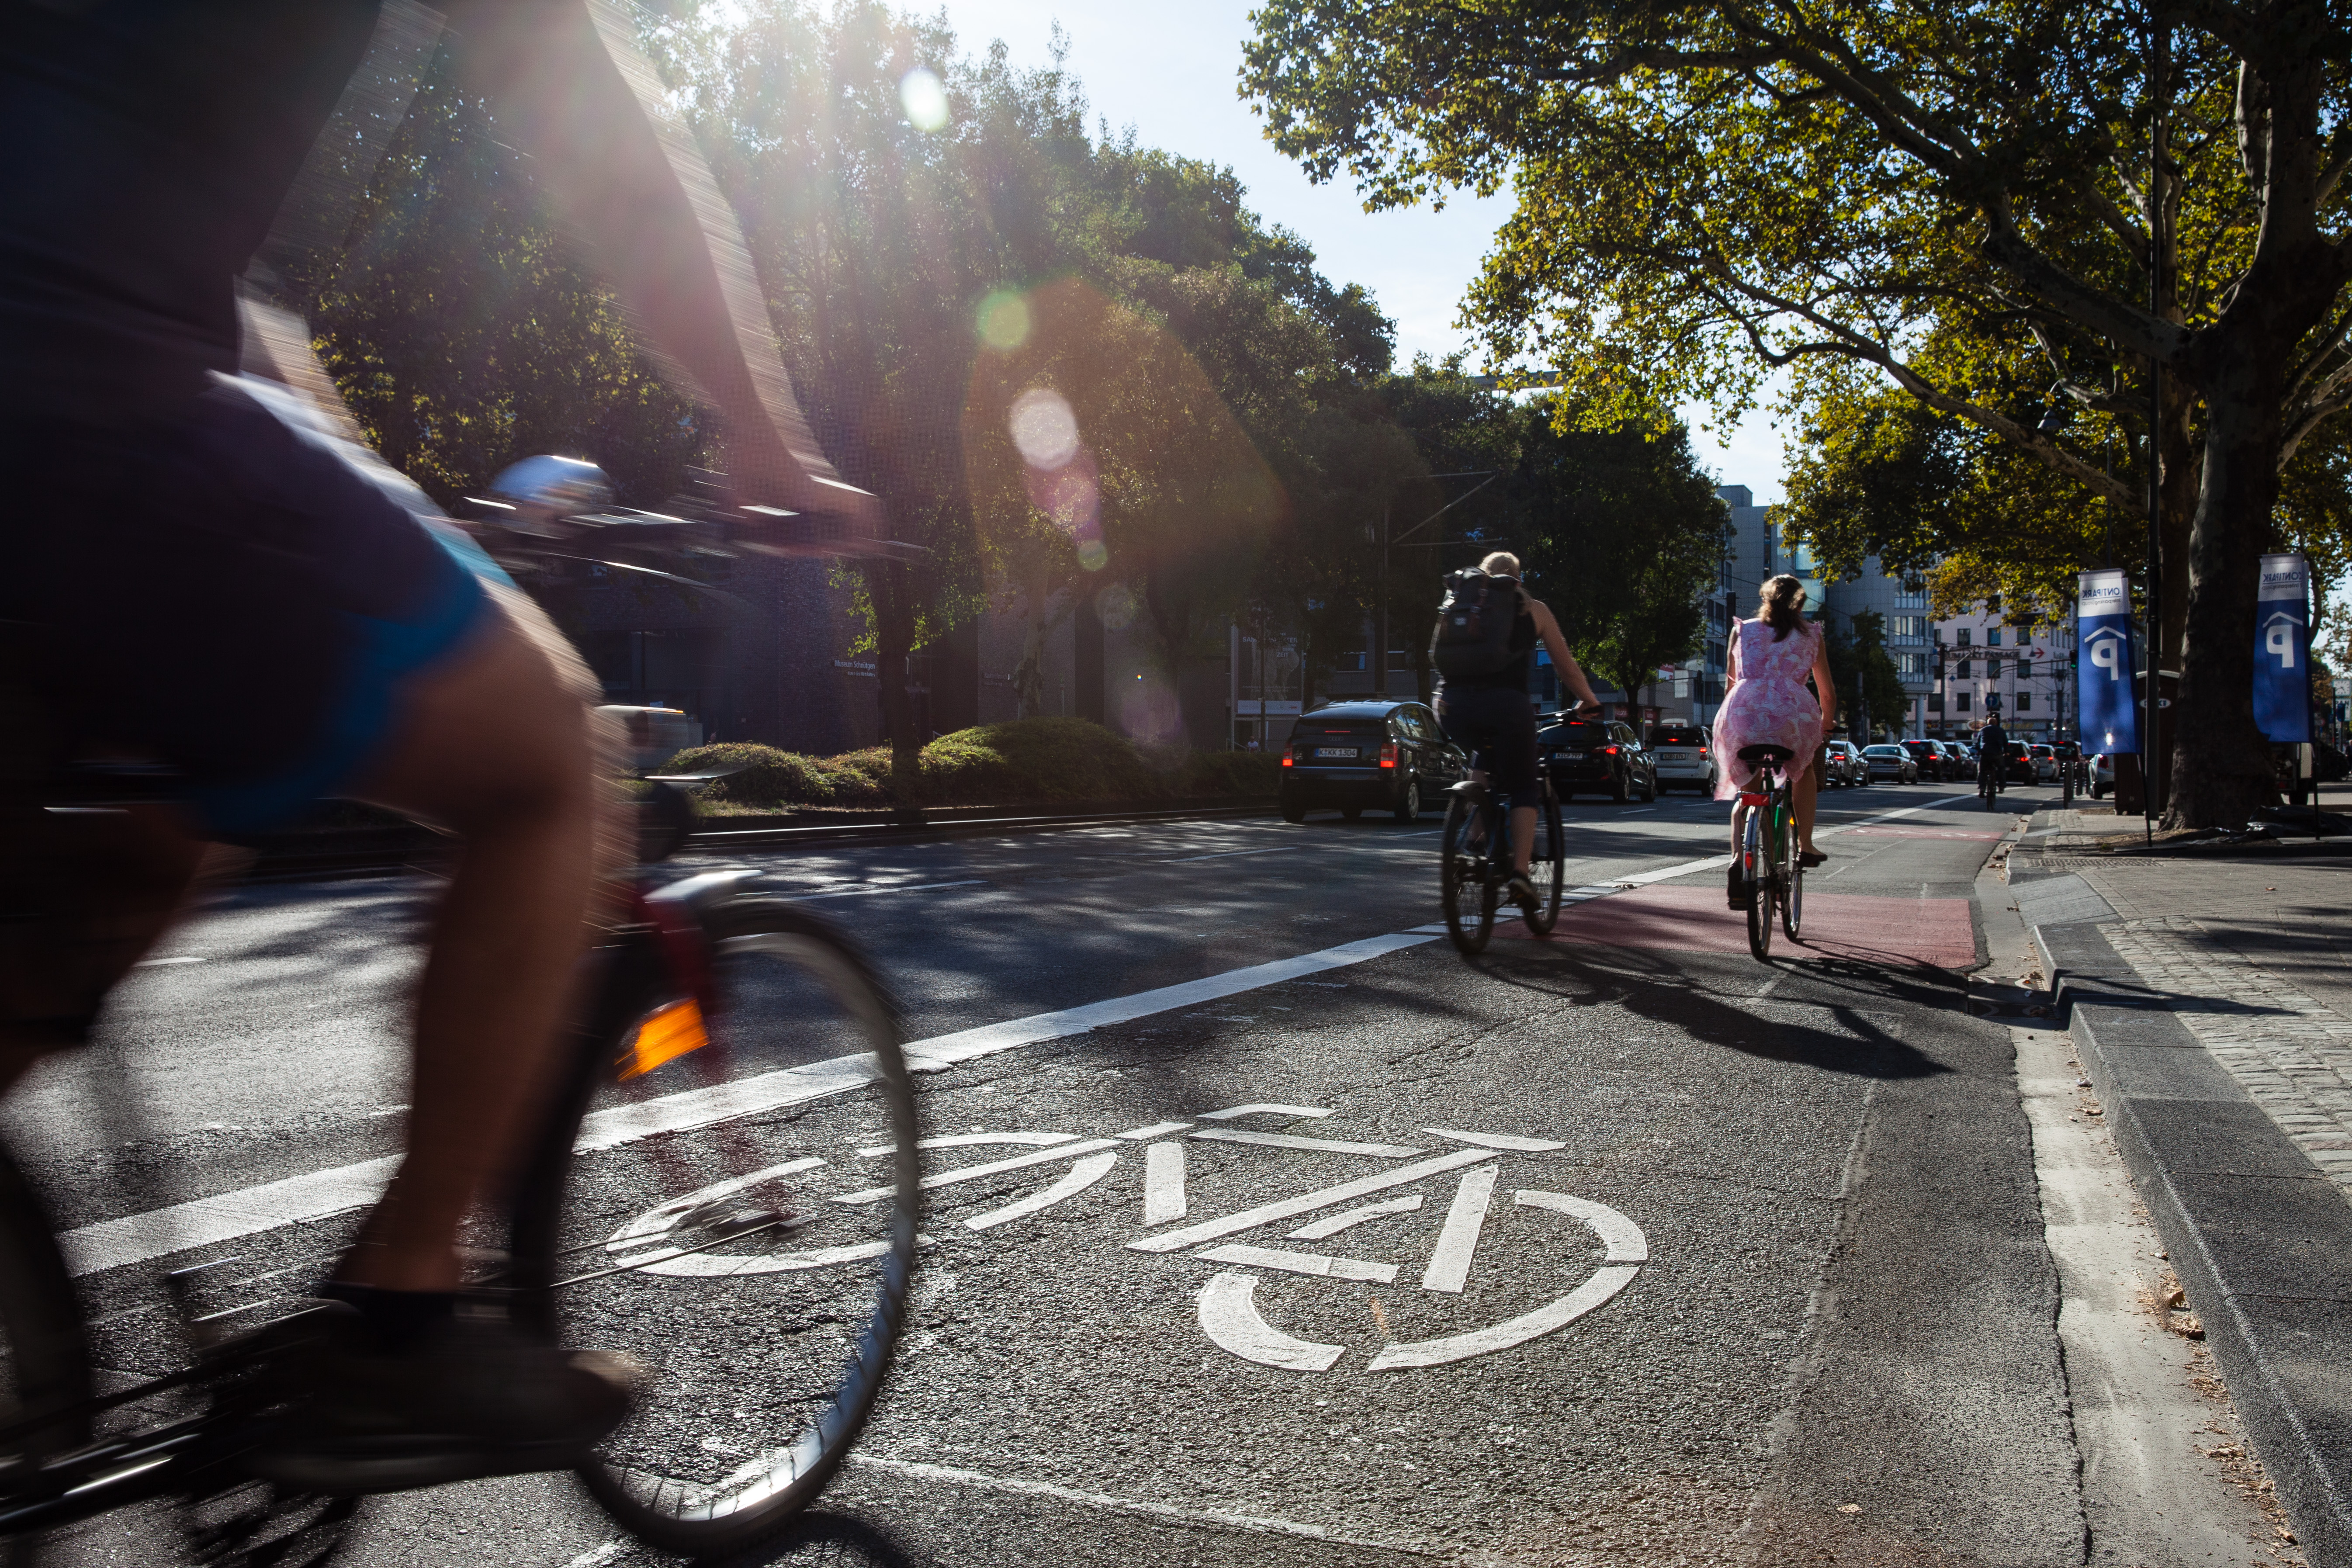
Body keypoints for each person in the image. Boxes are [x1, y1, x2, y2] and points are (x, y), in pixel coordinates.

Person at [0, 0, 878, 1491]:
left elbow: (181, 250)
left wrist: (355, 480)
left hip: (87, 378)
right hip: (80, 403)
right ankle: (405, 1315)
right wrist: (757, 433)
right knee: (548, 759)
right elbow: (598, 139)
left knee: (129, 853)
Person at [1433, 552, 1601, 909]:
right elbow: (1566, 668)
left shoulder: (1459, 600)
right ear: (1516, 580)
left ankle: (1473, 843)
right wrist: (1589, 700)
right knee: (1524, 784)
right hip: (1506, 706)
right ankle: (1520, 875)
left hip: (1451, 706)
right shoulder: (1531, 608)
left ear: (1483, 576)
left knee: (1482, 754)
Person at [1711, 576, 1839, 907]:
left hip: (1745, 712)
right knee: (1804, 771)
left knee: (1749, 793)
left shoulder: (1743, 629)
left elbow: (1730, 682)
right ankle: (1807, 845)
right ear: (1800, 603)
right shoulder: (1811, 634)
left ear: (1765, 598)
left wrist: (1733, 722)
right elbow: (1826, 692)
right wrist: (1826, 724)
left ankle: (1739, 858)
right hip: (1793, 717)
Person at [1977, 715, 2010, 795]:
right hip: (1997, 754)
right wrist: (2006, 752)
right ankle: (2001, 787)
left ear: (1988, 723)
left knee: (1982, 771)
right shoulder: (2001, 730)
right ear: (1996, 723)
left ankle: (1982, 788)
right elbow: (2006, 742)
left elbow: (1978, 742)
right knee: (2001, 769)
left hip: (1985, 754)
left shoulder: (1983, 730)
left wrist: (1978, 751)